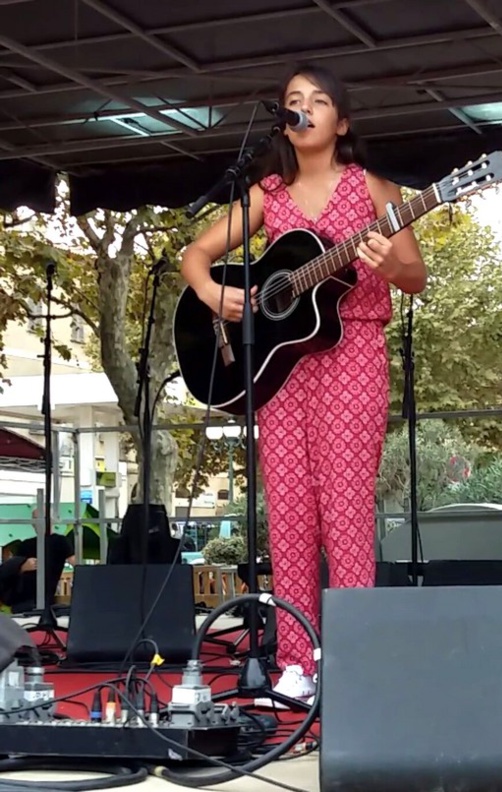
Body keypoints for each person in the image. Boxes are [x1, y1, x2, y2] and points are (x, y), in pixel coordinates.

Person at [181, 62, 427, 703]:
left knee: (343, 510)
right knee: (287, 512)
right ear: (284, 123)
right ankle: (296, 662)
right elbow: (194, 257)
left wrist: (386, 258)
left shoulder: (374, 188)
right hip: (280, 369)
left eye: (320, 100)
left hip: (353, 358)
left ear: (341, 122)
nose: (305, 109)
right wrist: (216, 295)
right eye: (294, 101)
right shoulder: (267, 193)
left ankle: (352, 658)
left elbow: (413, 276)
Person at [0, 509, 75, 613]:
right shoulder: (26, 544)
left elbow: (76, 563)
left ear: (51, 520)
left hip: (44, 598)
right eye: (34, 519)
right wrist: (22, 567)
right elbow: (12, 569)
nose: (37, 522)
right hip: (22, 599)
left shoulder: (60, 541)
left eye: (41, 518)